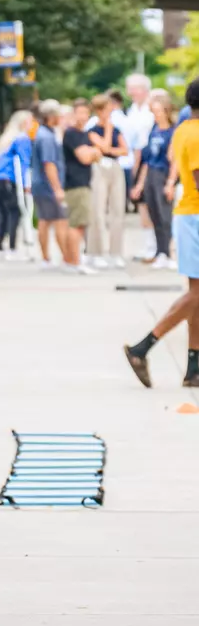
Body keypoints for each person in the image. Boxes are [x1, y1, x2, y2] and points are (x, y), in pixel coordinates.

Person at [124, 76, 199, 389]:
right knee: (196, 295)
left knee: (197, 296)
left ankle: (193, 368)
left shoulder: (183, 129)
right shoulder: (196, 134)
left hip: (188, 214)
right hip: (196, 215)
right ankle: (143, 346)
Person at [130, 89, 176, 270]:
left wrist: (171, 182)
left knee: (165, 216)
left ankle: (167, 252)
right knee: (154, 215)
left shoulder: (172, 132)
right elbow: (147, 161)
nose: (155, 115)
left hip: (163, 174)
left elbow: (174, 160)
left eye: (158, 111)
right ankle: (159, 252)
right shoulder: (153, 131)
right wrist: (140, 184)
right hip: (151, 175)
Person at [85, 93, 129, 269]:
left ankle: (115, 252)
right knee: (98, 210)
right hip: (99, 168)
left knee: (117, 209)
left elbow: (124, 150)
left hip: (115, 167)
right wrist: (108, 130)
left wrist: (111, 148)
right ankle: (95, 251)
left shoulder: (117, 129)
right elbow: (103, 146)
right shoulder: (92, 130)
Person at [62, 98, 102, 273]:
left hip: (84, 181)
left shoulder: (84, 134)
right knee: (77, 223)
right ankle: (74, 261)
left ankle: (73, 260)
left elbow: (99, 152)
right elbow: (85, 157)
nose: (83, 116)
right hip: (75, 183)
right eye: (80, 112)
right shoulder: (71, 134)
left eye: (86, 113)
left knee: (80, 223)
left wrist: (93, 152)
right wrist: (93, 152)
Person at [0, 110, 32, 260]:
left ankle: (0, 247)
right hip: (8, 179)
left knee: (1, 213)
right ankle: (12, 247)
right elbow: (24, 161)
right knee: (14, 212)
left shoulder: (5, 138)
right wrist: (26, 183)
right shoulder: (21, 138)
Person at [30, 99, 69, 269]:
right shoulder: (46, 137)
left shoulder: (44, 133)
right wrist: (57, 188)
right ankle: (67, 257)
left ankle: (46, 258)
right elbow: (49, 164)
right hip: (47, 185)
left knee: (44, 220)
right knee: (59, 220)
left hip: (40, 183)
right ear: (50, 116)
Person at [124, 73, 157, 259]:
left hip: (147, 161)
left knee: (150, 205)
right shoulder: (132, 110)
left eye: (133, 88)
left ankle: (154, 246)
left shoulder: (150, 110)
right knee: (141, 205)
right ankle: (148, 245)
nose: (130, 92)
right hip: (132, 160)